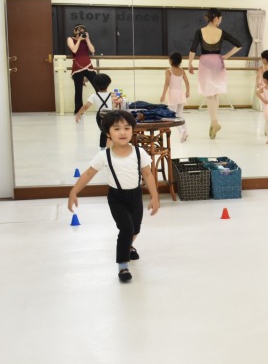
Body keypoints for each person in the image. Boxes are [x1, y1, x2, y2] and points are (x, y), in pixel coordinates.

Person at [67, 110, 160, 283]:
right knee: (126, 229)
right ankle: (123, 265)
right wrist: (74, 191)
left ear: (132, 130)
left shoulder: (139, 153)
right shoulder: (104, 155)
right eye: (117, 129)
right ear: (108, 133)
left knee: (135, 229)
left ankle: (128, 246)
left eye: (127, 128)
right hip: (116, 198)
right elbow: (88, 174)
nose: (122, 132)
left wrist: (155, 197)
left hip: (135, 196)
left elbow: (148, 175)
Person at [187, 8, 242, 139]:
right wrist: (226, 56)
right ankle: (214, 122)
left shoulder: (200, 31)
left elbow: (193, 49)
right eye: (220, 19)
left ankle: (214, 122)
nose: (220, 21)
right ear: (216, 18)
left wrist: (190, 63)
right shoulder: (221, 32)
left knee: (209, 94)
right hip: (218, 62)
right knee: (215, 94)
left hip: (205, 62)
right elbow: (239, 44)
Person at [74, 73, 115, 148]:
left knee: (104, 131)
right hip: (111, 115)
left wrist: (79, 113)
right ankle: (109, 147)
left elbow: (86, 106)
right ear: (108, 84)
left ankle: (103, 147)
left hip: (100, 116)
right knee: (109, 131)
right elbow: (116, 104)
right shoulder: (112, 94)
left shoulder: (94, 96)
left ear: (96, 84)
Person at [67, 24, 98, 115]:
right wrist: (80, 40)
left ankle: (103, 106)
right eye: (79, 30)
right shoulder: (70, 39)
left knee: (98, 86)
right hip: (78, 66)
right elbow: (74, 50)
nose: (81, 32)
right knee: (78, 89)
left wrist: (87, 39)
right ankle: (78, 110)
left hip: (88, 65)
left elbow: (93, 50)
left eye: (82, 30)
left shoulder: (86, 40)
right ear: (75, 31)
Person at [159, 51, 190, 143]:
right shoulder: (182, 71)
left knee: (172, 116)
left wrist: (163, 94)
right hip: (180, 94)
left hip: (173, 94)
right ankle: (185, 132)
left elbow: (167, 83)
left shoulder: (169, 71)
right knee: (179, 115)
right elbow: (187, 82)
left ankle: (182, 131)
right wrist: (188, 91)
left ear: (171, 60)